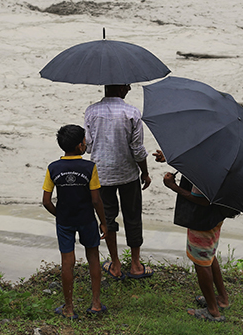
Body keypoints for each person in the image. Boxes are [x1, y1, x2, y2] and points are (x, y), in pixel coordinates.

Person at [155, 150, 234, 322]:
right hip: (215, 216)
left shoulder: (204, 169)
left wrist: (173, 186)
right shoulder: (218, 157)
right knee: (209, 255)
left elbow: (201, 200)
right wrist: (169, 159)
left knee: (201, 262)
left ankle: (213, 311)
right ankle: (222, 299)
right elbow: (192, 161)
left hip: (202, 220)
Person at [84, 84, 153, 280]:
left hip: (102, 175)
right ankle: (135, 264)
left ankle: (115, 263)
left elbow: (88, 147)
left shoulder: (91, 111)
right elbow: (137, 149)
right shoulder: (132, 112)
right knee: (133, 216)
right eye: (127, 85)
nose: (130, 88)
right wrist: (145, 172)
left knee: (107, 219)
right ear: (121, 88)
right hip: (128, 174)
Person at [42, 124, 108, 320]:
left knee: (67, 262)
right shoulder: (90, 167)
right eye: (85, 141)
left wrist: (60, 215)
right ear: (80, 146)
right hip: (87, 219)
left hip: (65, 220)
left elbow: (46, 201)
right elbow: (96, 199)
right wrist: (103, 222)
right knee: (93, 258)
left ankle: (69, 308)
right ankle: (95, 304)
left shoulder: (53, 168)